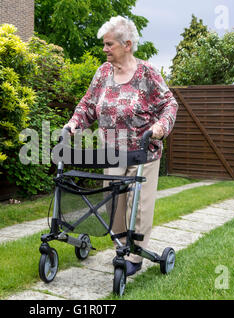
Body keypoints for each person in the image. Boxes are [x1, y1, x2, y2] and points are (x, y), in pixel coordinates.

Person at [63, 16, 178, 276]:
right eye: (104, 44)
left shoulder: (147, 73)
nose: (104, 49)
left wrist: (160, 128)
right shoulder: (103, 73)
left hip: (143, 151)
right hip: (111, 152)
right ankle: (120, 246)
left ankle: (135, 257)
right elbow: (88, 106)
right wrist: (73, 124)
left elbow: (169, 104)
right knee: (113, 202)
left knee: (138, 205)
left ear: (127, 44)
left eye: (108, 44)